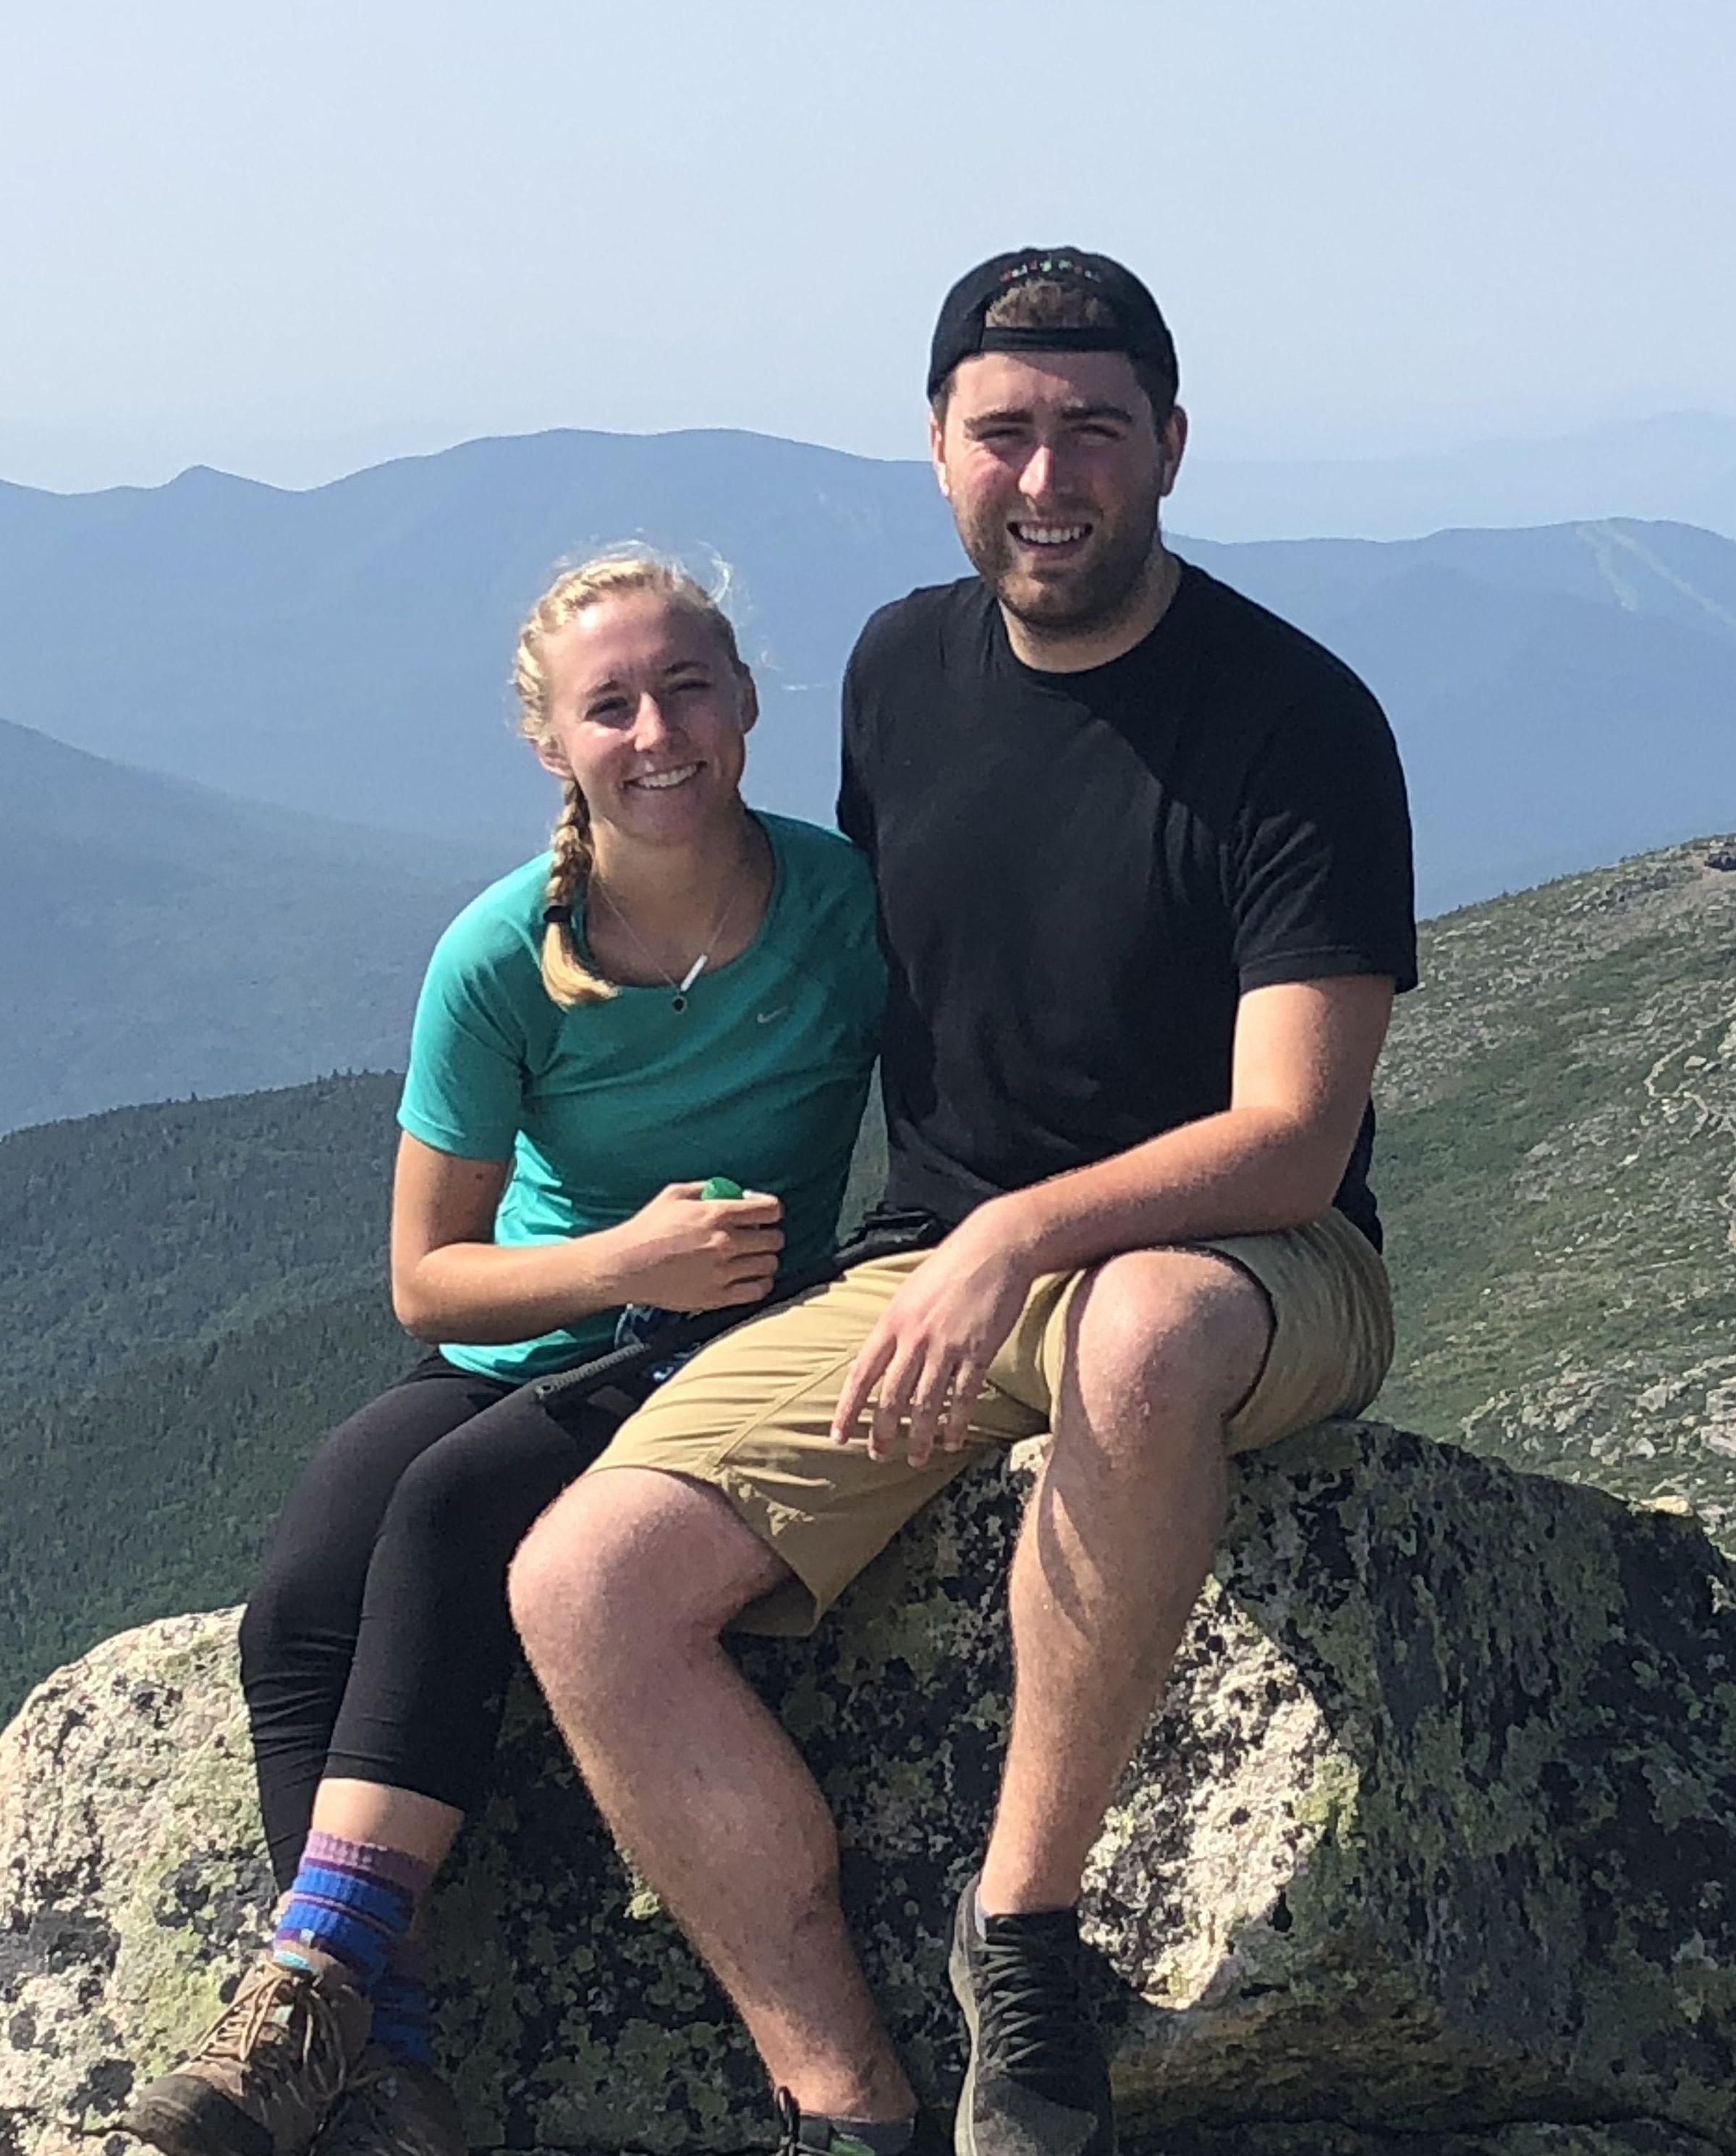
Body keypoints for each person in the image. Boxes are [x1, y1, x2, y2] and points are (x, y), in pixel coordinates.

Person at [508, 249, 1416, 2156]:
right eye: (1001, 432)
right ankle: (844, 2091)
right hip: (936, 1260)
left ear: (1168, 447)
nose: (1046, 475)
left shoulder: (1292, 719)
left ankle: (1020, 1935)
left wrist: (1016, 1232)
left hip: (1244, 1260)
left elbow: (1293, 1137)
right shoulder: (896, 669)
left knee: (1150, 1331)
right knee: (582, 1588)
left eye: (1093, 429)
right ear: (933, 449)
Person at [120, 550, 885, 2156]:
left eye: (688, 687)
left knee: (456, 1512)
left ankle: (314, 1989)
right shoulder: (497, 953)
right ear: (552, 742)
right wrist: (619, 1255)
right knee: (301, 1602)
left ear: (748, 703)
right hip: (537, 1327)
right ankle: (379, 2064)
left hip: (717, 1348)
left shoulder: (842, 907)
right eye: (610, 705)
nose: (658, 729)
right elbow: (426, 1279)